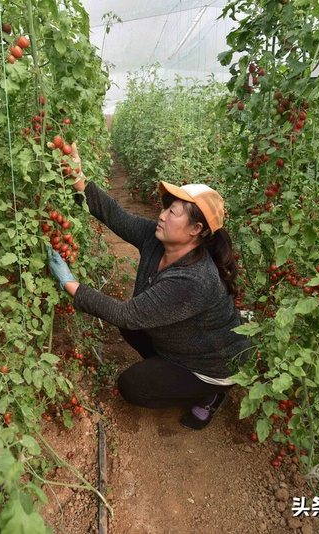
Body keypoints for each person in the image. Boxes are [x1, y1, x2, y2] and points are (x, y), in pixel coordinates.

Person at [47, 143, 252, 430]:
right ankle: (172, 368)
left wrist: (70, 283)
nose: (163, 214)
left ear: (196, 230)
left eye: (174, 212)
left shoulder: (194, 279)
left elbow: (127, 314)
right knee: (131, 324)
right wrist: (78, 179)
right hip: (184, 345)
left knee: (132, 385)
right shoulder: (156, 238)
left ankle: (209, 393)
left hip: (212, 365)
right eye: (166, 207)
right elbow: (115, 216)